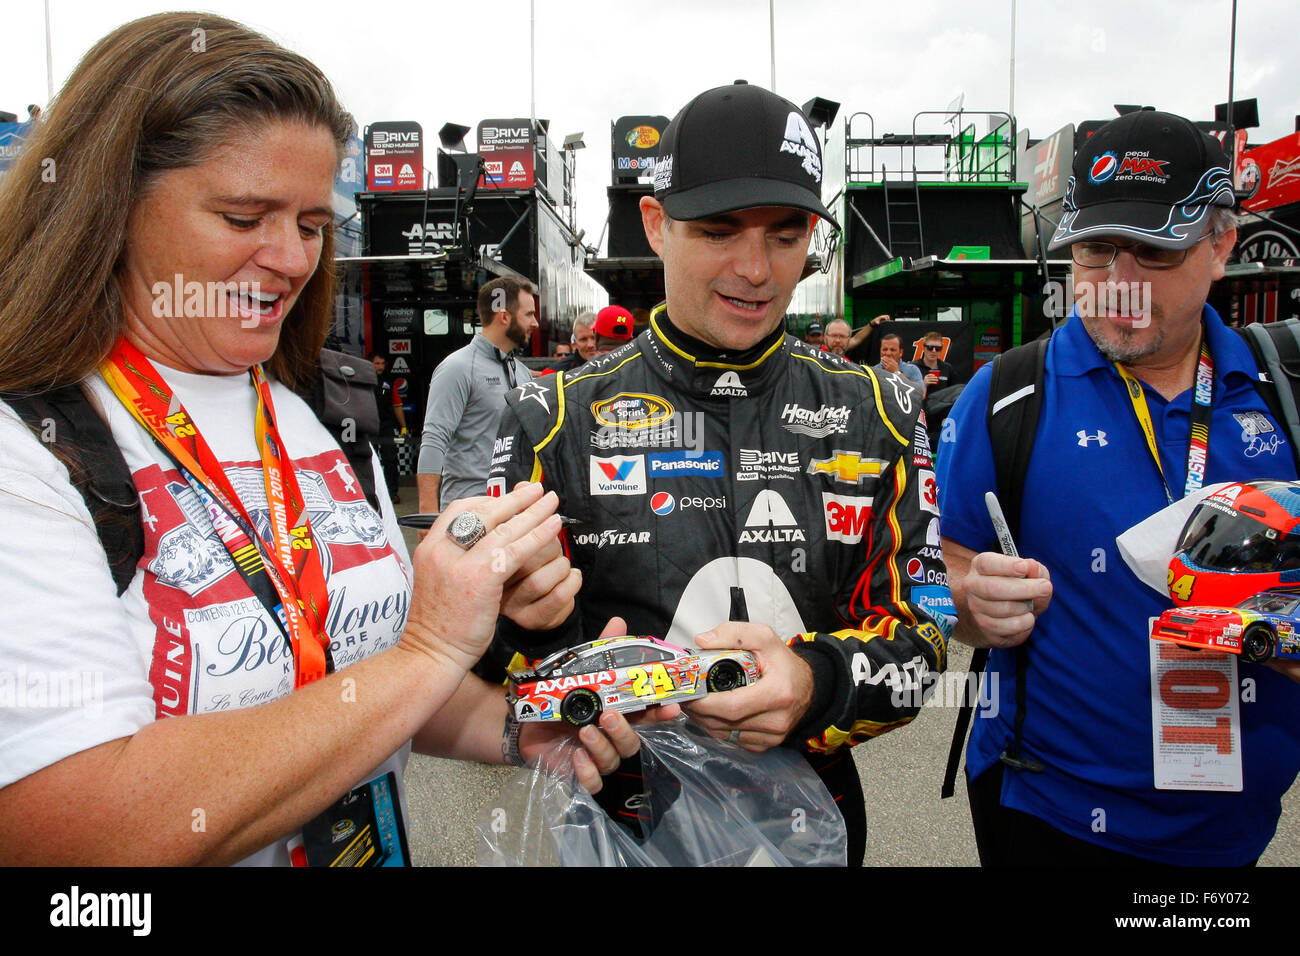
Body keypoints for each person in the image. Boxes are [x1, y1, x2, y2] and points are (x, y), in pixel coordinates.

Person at [0, 12, 651, 866]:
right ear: (111, 208)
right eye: (242, 218)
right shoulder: (32, 447)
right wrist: (430, 648)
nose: (289, 258)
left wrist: (524, 730)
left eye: (311, 225)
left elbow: (364, 687)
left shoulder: (320, 414)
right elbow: (76, 826)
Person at [487, 81, 951, 865]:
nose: (756, 268)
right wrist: (522, 631)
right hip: (621, 823)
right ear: (656, 225)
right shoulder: (551, 415)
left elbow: (924, 642)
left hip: (817, 819)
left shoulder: (882, 408)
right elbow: (489, 670)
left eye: (786, 233)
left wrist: (813, 683)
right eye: (719, 230)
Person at [937, 109, 1300, 865]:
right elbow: (944, 570)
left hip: (1235, 828)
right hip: (1047, 811)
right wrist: (970, 605)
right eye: (1099, 252)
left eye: (1154, 252)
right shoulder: (1006, 395)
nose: (1119, 288)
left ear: (1222, 243)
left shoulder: (1285, 390)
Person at [418, 276, 537, 511]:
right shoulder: (457, 367)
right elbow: (433, 440)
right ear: (504, 316)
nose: (535, 323)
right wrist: (427, 513)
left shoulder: (521, 372)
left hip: (512, 509)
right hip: (466, 510)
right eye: (529, 314)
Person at [370, 353, 407, 503]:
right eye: (376, 363)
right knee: (370, 460)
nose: (380, 366)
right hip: (369, 425)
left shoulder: (389, 382)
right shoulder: (363, 380)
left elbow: (397, 405)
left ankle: (392, 493)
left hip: (386, 426)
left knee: (390, 460)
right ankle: (371, 494)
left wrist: (403, 426)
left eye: (382, 363)